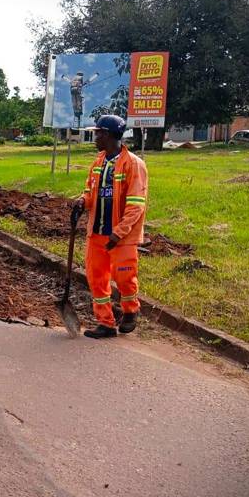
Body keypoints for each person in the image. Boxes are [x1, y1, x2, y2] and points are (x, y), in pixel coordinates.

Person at [73, 115, 148, 339]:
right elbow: (90, 192)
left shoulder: (133, 164)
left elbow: (136, 205)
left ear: (109, 135)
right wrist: (82, 201)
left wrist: (119, 233)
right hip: (97, 232)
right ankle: (105, 322)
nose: (95, 137)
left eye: (98, 133)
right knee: (96, 277)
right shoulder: (98, 162)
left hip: (121, 236)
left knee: (124, 277)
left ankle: (130, 311)